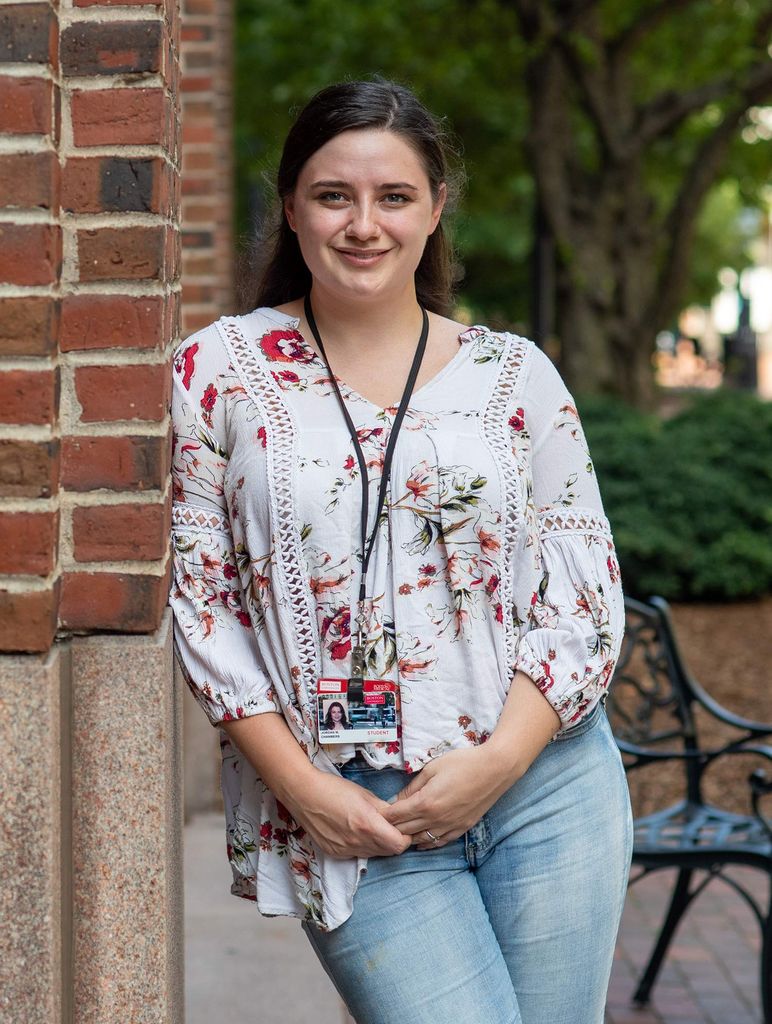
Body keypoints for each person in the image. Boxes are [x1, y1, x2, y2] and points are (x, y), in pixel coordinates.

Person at [169, 76, 633, 1024]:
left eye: (394, 197)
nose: (362, 225)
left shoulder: (518, 377)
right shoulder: (217, 371)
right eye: (334, 195)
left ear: (435, 210)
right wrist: (305, 791)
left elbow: (583, 594)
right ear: (291, 207)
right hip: (353, 812)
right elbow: (203, 605)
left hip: (546, 789)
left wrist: (501, 760)